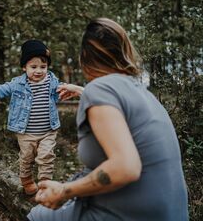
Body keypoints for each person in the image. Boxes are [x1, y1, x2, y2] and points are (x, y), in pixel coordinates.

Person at [27, 18, 189, 221]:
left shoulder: (101, 89)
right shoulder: (143, 93)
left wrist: (64, 191)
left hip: (127, 215)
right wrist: (81, 92)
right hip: (172, 214)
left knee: (37, 216)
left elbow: (126, 167)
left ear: (85, 57)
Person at [0, 40, 65, 196]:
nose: (39, 71)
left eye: (43, 67)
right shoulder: (18, 84)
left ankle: (45, 184)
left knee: (46, 157)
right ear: (24, 67)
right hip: (26, 132)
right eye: (33, 67)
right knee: (27, 157)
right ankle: (27, 180)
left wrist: (70, 90)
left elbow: (63, 89)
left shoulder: (52, 81)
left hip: (48, 130)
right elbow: (2, 89)